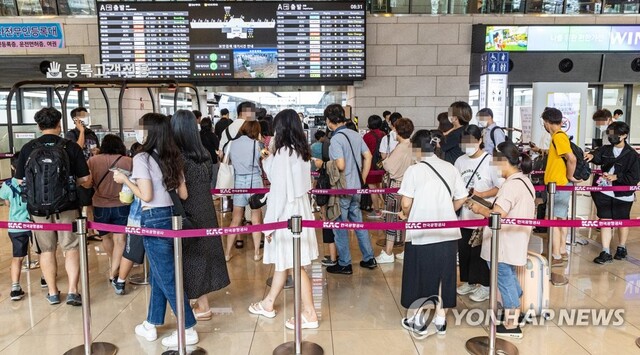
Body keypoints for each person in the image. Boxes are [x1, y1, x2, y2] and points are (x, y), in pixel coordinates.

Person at [113, 113, 199, 347]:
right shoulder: (173, 156)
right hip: (173, 218)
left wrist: (126, 180)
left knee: (168, 277)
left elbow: (146, 195)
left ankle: (188, 328)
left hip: (153, 219)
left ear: (149, 132)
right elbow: (183, 194)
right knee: (159, 274)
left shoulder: (141, 157)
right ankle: (151, 323)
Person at [248, 109, 320, 329]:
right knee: (287, 260)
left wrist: (269, 227)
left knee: (294, 263)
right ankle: (268, 303)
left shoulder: (283, 154)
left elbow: (278, 191)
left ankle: (309, 313)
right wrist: (269, 158)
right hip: (300, 209)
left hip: (286, 213)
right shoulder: (301, 152)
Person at [16, 107, 91, 306]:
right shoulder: (71, 147)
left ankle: (53, 292)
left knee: (46, 250)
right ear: (59, 124)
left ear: (39, 126)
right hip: (67, 207)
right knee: (71, 248)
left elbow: (19, 182)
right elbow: (86, 179)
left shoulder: (28, 148)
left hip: (37, 210)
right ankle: (73, 291)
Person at [398, 129, 467, 337]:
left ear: (417, 149)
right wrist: (446, 209)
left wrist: (405, 213)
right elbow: (462, 197)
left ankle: (416, 318)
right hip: (447, 231)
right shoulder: (450, 167)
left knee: (418, 274)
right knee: (444, 276)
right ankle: (440, 319)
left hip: (421, 232)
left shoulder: (414, 171)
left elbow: (406, 202)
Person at [468, 141, 535, 339]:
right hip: (514, 240)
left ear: (505, 161)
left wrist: (479, 208)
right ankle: (517, 312)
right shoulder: (524, 180)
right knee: (509, 277)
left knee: (504, 279)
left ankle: (512, 324)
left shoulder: (510, 186)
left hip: (503, 243)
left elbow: (497, 215)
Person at [171, 109, 230, 321]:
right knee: (202, 255)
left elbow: (183, 193)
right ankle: (201, 303)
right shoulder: (203, 152)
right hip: (206, 208)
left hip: (188, 212)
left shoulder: (178, 157)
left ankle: (198, 306)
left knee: (189, 257)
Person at [324, 104, 377, 275]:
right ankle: (369, 258)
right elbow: (367, 156)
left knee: (340, 226)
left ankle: (345, 263)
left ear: (328, 121)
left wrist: (322, 164)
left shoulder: (336, 139)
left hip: (342, 189)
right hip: (356, 188)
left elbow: (340, 165)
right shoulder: (355, 134)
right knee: (358, 223)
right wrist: (362, 178)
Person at [454, 125, 501, 303]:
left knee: (481, 254)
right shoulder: (459, 161)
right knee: (464, 251)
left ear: (480, 140)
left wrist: (481, 194)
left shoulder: (490, 161)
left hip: (482, 215)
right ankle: (468, 281)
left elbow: (499, 186)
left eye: (472, 141)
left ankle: (485, 286)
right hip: (464, 215)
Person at [585, 121, 640, 264]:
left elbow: (634, 177)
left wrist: (617, 177)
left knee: (622, 221)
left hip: (623, 194)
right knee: (605, 220)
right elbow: (597, 156)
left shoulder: (632, 155)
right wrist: (591, 155)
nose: (611, 137)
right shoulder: (605, 149)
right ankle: (605, 251)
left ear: (624, 135)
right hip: (604, 192)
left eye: (615, 134)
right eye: (610, 134)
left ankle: (621, 247)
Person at [87, 134, 132, 284]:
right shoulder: (128, 161)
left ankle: (113, 265)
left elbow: (87, 182)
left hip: (100, 204)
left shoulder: (93, 161)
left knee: (105, 237)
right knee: (120, 239)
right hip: (122, 204)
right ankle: (114, 271)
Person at [542, 107, 579, 268]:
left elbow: (571, 158)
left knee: (553, 220)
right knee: (560, 219)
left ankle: (555, 254)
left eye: (544, 122)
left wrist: (570, 176)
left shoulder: (558, 137)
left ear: (548, 122)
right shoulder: (559, 137)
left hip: (558, 185)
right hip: (560, 185)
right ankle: (562, 251)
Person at [375, 118, 414, 264]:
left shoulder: (400, 147)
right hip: (410, 188)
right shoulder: (413, 146)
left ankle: (388, 252)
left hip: (396, 186)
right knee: (406, 220)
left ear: (397, 131)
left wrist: (386, 160)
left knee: (391, 219)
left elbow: (388, 166)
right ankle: (406, 250)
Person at [224, 120, 264, 261]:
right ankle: (256, 253)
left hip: (239, 181)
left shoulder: (232, 143)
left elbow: (226, 160)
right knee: (256, 219)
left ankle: (227, 253)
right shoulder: (257, 144)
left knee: (235, 219)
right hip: (255, 181)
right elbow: (263, 158)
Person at [112, 142, 144, 295]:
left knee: (130, 252)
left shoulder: (131, 176)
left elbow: (125, 199)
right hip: (159, 219)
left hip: (136, 220)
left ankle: (121, 282)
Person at [0, 152, 31, 301]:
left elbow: (6, 202)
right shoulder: (33, 181)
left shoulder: (7, 185)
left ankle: (15, 287)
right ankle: (46, 279)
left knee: (17, 257)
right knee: (44, 252)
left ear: (12, 166)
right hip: (35, 224)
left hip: (15, 226)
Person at [362, 115, 386, 219]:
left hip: (370, 165)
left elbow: (363, 153)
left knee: (372, 189)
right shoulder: (384, 135)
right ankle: (385, 207)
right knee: (381, 187)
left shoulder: (367, 136)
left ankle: (377, 211)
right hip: (381, 165)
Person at [200, 117, 220, 189]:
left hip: (201, 160)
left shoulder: (198, 135)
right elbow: (218, 147)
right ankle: (212, 194)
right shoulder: (212, 135)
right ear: (210, 125)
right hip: (212, 159)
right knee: (213, 178)